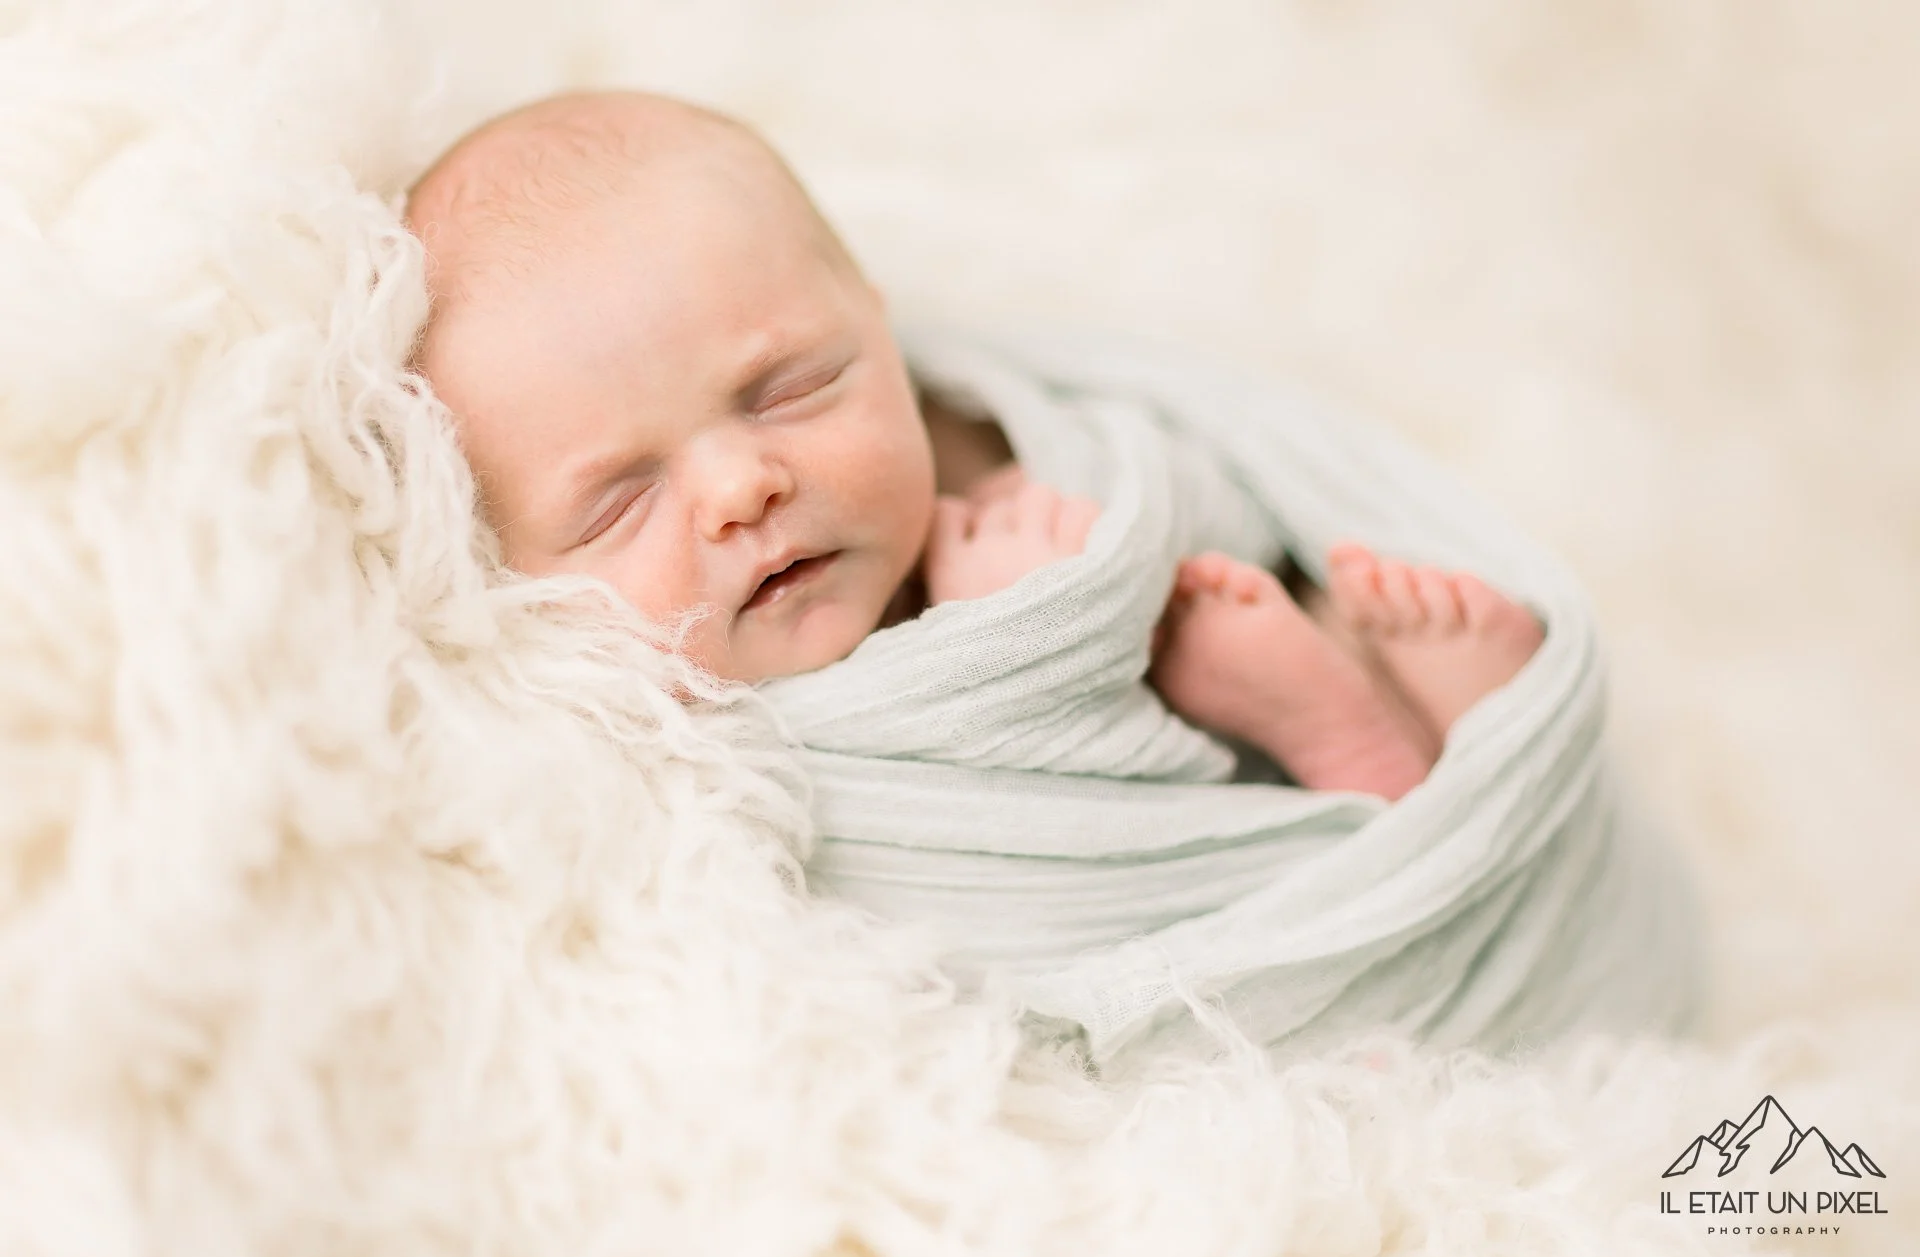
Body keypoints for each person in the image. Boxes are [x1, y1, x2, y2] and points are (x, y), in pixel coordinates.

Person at [404, 90, 1543, 801]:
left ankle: (1371, 687)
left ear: (882, 332)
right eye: (619, 500)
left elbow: (1197, 478)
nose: (742, 487)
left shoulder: (1000, 453)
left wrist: (1108, 575)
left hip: (1238, 663)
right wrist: (1030, 636)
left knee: (1233, 578)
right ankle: (1361, 768)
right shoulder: (659, 768)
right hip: (1169, 881)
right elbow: (984, 898)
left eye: (790, 390)